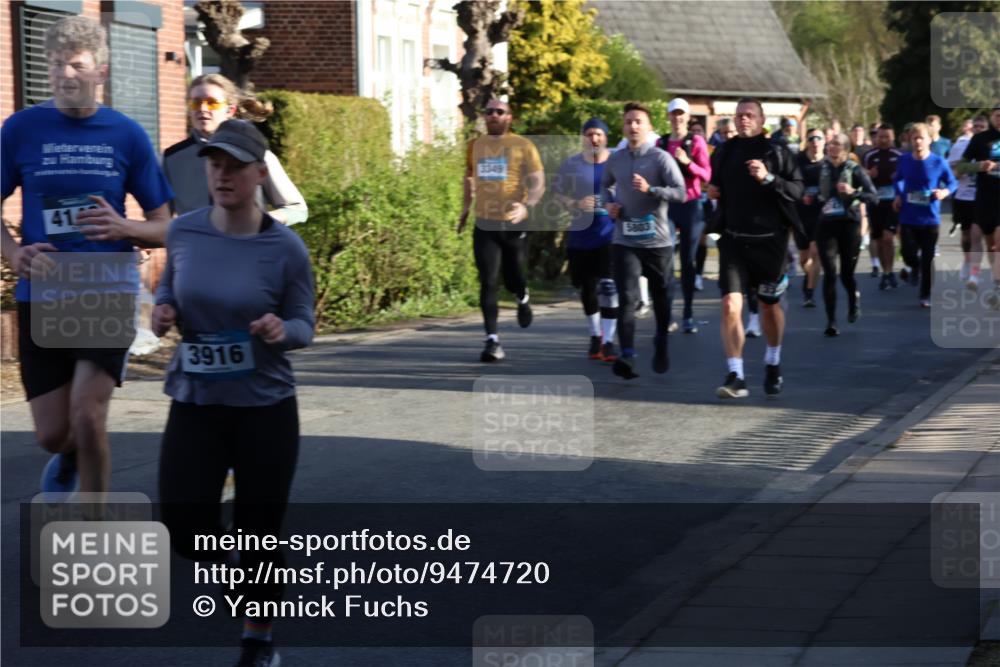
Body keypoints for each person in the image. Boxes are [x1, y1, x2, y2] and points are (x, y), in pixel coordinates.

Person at [153, 120, 315, 667]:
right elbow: (170, 286)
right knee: (181, 522)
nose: (222, 175)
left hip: (265, 408)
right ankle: (238, 570)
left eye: (235, 166)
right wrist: (163, 310)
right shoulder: (185, 231)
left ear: (259, 175)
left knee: (261, 531)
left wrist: (280, 330)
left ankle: (258, 638)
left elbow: (304, 324)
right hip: (196, 401)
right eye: (214, 164)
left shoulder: (286, 247)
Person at [0, 16, 172, 494]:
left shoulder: (127, 135)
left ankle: (92, 530)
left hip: (106, 288)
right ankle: (71, 456)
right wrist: (13, 253)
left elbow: (167, 224)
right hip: (46, 291)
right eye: (56, 64)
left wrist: (125, 227)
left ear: (101, 71)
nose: (65, 75)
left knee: (88, 413)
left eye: (76, 65)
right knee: (53, 433)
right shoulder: (21, 130)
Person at [707, 98, 804, 398]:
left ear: (762, 120)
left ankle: (773, 362)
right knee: (729, 306)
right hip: (734, 239)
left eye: (749, 115)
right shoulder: (725, 151)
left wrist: (768, 178)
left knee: (769, 307)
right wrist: (712, 191)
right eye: (739, 116)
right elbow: (716, 187)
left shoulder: (777, 151)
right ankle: (736, 374)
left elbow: (797, 191)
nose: (743, 120)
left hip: (770, 242)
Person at [600, 102, 686, 379]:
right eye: (628, 122)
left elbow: (681, 193)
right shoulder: (616, 158)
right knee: (627, 297)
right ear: (623, 127)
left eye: (638, 121)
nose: (633, 126)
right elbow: (604, 186)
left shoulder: (661, 158)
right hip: (624, 239)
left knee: (662, 298)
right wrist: (609, 205)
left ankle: (661, 339)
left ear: (649, 127)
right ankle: (627, 355)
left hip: (658, 241)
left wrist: (652, 190)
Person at [458, 99, 544, 362]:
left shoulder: (523, 146)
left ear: (509, 117)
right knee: (489, 281)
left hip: (513, 222)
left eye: (499, 112)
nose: (493, 115)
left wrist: (527, 206)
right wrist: (464, 211)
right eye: (489, 112)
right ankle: (492, 340)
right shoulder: (475, 146)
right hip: (485, 223)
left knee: (514, 276)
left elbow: (538, 183)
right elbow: (469, 178)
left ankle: (522, 297)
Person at [164, 73, 307, 224]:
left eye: (212, 103)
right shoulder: (172, 158)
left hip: (247, 245)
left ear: (230, 110)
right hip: (195, 247)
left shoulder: (255, 154)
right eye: (195, 103)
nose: (203, 108)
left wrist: (257, 223)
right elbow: (161, 220)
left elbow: (298, 211)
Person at [553, 118, 618, 361]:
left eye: (599, 134)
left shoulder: (617, 162)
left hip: (609, 234)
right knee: (586, 288)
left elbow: (631, 192)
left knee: (609, 287)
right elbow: (556, 192)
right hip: (580, 237)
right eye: (590, 134)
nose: (594, 139)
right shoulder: (572, 164)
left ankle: (610, 341)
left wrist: (620, 205)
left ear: (606, 137)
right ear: (583, 137)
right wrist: (573, 203)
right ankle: (595, 335)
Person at [656, 98, 712, 333]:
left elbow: (707, 175)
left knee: (687, 262)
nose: (677, 118)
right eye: (673, 114)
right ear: (668, 116)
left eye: (681, 114)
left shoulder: (696, 141)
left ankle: (688, 313)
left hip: (690, 205)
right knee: (666, 259)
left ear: (688, 118)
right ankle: (667, 315)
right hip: (668, 206)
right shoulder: (662, 142)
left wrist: (687, 162)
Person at [814, 134, 878, 336]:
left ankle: (853, 298)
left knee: (846, 274)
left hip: (849, 225)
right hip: (826, 226)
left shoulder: (856, 170)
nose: (832, 147)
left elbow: (873, 197)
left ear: (846, 149)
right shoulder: (820, 169)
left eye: (837, 144)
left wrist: (853, 192)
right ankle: (831, 321)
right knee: (830, 273)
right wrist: (810, 197)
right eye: (830, 144)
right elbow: (808, 190)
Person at [892, 122, 958, 307]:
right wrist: (898, 194)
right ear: (910, 140)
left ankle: (925, 294)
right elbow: (898, 179)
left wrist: (944, 193)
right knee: (908, 254)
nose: (918, 141)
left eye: (922, 138)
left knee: (928, 259)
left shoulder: (938, 162)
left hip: (930, 218)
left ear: (929, 140)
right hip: (908, 215)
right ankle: (914, 266)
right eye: (915, 138)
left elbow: (952, 183)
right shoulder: (905, 160)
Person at [958, 105, 1000, 301]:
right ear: (992, 117)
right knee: (989, 243)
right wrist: (979, 166)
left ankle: (998, 286)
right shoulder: (980, 139)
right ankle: (995, 280)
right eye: (997, 115)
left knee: (999, 242)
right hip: (985, 198)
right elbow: (961, 166)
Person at [863, 123, 903, 290]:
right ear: (876, 138)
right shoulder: (869, 156)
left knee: (888, 237)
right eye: (880, 136)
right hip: (875, 201)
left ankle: (889, 270)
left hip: (893, 201)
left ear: (892, 137)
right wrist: (868, 176)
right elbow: (860, 178)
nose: (883, 140)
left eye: (887, 137)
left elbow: (906, 177)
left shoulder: (899, 155)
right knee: (878, 240)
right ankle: (885, 272)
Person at [948, 115, 987, 284]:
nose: (977, 130)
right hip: (963, 196)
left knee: (977, 235)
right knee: (966, 234)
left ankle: (974, 272)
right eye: (975, 127)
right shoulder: (962, 145)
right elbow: (955, 172)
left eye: (981, 127)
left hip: (984, 196)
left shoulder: (993, 146)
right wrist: (972, 167)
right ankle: (967, 260)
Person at [796, 129, 826, 307]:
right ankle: (809, 275)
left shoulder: (828, 162)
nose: (815, 142)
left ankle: (809, 292)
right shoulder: (798, 161)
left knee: (816, 253)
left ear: (824, 141)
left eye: (818, 138)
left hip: (821, 214)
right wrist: (801, 196)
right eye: (811, 138)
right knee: (804, 258)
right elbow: (792, 183)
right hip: (801, 213)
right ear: (807, 142)